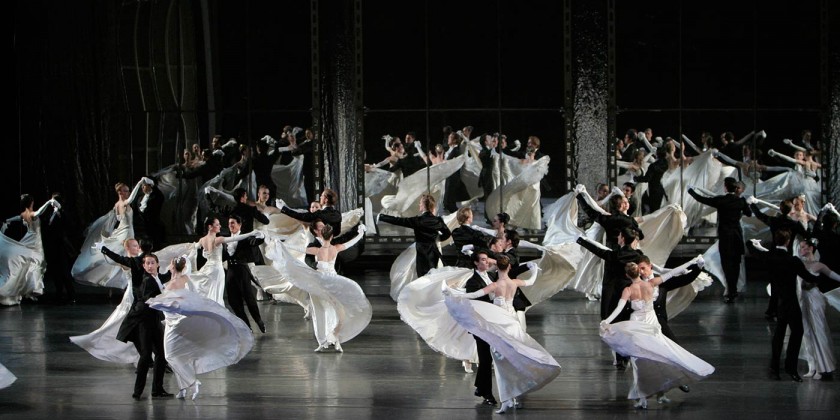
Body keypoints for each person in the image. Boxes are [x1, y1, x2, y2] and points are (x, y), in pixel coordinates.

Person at [444, 255, 558, 413]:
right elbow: (531, 282)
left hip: (498, 323)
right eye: (483, 259)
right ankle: (512, 396)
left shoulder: (495, 284)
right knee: (511, 357)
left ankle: (507, 397)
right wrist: (534, 270)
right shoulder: (513, 282)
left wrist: (453, 294)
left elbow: (473, 295)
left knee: (502, 360)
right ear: (509, 267)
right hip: (511, 321)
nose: (487, 262)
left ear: (497, 267)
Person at [600, 262, 714, 409]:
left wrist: (607, 321)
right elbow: (672, 272)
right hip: (650, 322)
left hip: (638, 324)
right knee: (659, 357)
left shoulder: (628, 290)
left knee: (640, 361)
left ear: (627, 275)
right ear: (638, 272)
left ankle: (648, 396)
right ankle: (657, 394)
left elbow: (619, 308)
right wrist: (692, 262)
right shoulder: (651, 284)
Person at [146, 256, 254, 400]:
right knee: (179, 356)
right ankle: (183, 388)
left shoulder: (172, 284)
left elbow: (174, 303)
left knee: (170, 356)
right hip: (178, 321)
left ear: (172, 266)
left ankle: (192, 382)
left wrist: (156, 302)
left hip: (174, 324)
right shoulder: (185, 279)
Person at [746, 230, 821, 382]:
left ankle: (774, 369)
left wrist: (752, 243)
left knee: (778, 336)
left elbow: (751, 248)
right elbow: (809, 277)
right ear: (788, 242)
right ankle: (791, 368)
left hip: (779, 303)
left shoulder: (769, 257)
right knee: (797, 332)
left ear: (776, 240)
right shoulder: (792, 260)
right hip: (791, 302)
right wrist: (820, 272)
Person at [301, 224, 369, 352]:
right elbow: (351, 242)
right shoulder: (336, 248)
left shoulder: (317, 250)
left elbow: (297, 248)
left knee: (321, 311)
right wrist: (360, 233)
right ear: (332, 236)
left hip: (320, 283)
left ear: (322, 235)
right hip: (333, 282)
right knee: (335, 310)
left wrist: (279, 244)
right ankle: (334, 338)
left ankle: (325, 340)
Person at [72, 178, 148, 288]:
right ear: (120, 192)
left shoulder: (116, 205)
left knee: (125, 255)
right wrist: (140, 183)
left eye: (128, 191)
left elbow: (118, 218)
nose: (128, 193)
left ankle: (126, 281)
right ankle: (127, 281)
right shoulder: (123, 204)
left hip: (123, 229)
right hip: (126, 231)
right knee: (127, 255)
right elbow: (131, 199)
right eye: (126, 191)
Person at [688, 177, 751, 303]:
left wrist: (691, 191)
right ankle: (733, 290)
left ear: (726, 187)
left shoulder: (721, 200)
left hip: (725, 236)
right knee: (736, 264)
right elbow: (748, 213)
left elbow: (703, 199)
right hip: (737, 236)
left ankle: (731, 291)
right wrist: (747, 204)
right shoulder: (741, 201)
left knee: (727, 264)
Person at [120, 253, 172, 400]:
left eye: (152, 263)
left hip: (154, 320)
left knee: (160, 354)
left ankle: (157, 390)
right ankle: (139, 391)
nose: (150, 266)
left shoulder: (156, 277)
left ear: (157, 264)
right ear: (143, 266)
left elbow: (164, 277)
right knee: (146, 355)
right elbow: (150, 299)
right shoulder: (147, 280)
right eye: (147, 263)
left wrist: (172, 269)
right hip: (145, 321)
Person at [795, 238, 840, 381]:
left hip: (814, 299)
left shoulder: (819, 265)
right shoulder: (799, 263)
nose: (801, 250)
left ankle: (823, 367)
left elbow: (834, 276)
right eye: (800, 247)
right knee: (807, 332)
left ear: (811, 248)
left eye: (804, 247)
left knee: (818, 331)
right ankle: (812, 366)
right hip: (803, 299)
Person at [378, 194, 451, 278]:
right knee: (432, 276)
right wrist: (437, 239)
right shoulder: (437, 220)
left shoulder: (418, 221)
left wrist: (382, 217)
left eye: (420, 203)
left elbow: (399, 221)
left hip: (422, 253)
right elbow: (447, 233)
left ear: (423, 206)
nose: (419, 205)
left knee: (423, 277)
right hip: (433, 253)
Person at [0, 195, 55, 305]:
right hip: (35, 241)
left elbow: (16, 218)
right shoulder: (31, 214)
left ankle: (29, 291)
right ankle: (31, 291)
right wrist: (48, 202)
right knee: (37, 263)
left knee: (31, 264)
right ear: (32, 203)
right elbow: (39, 212)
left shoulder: (24, 214)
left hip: (30, 238)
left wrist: (7, 221)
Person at [223, 215, 268, 333]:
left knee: (249, 298)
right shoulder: (226, 239)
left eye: (233, 223)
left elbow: (257, 241)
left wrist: (261, 236)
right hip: (231, 271)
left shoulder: (245, 238)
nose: (230, 225)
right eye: (229, 223)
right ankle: (247, 326)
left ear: (239, 225)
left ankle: (258, 321)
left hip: (242, 270)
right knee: (233, 301)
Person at [40, 192, 77, 304]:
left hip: (61, 246)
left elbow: (69, 225)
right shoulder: (49, 213)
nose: (52, 203)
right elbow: (46, 225)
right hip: (52, 245)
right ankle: (59, 294)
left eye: (54, 201)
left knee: (65, 272)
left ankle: (71, 295)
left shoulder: (64, 212)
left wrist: (60, 212)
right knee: (55, 272)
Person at [132, 177, 165, 250]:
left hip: (153, 226)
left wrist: (152, 184)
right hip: (141, 227)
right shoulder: (140, 197)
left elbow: (159, 196)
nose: (142, 187)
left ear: (150, 186)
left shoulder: (156, 196)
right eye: (142, 186)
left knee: (154, 247)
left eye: (144, 185)